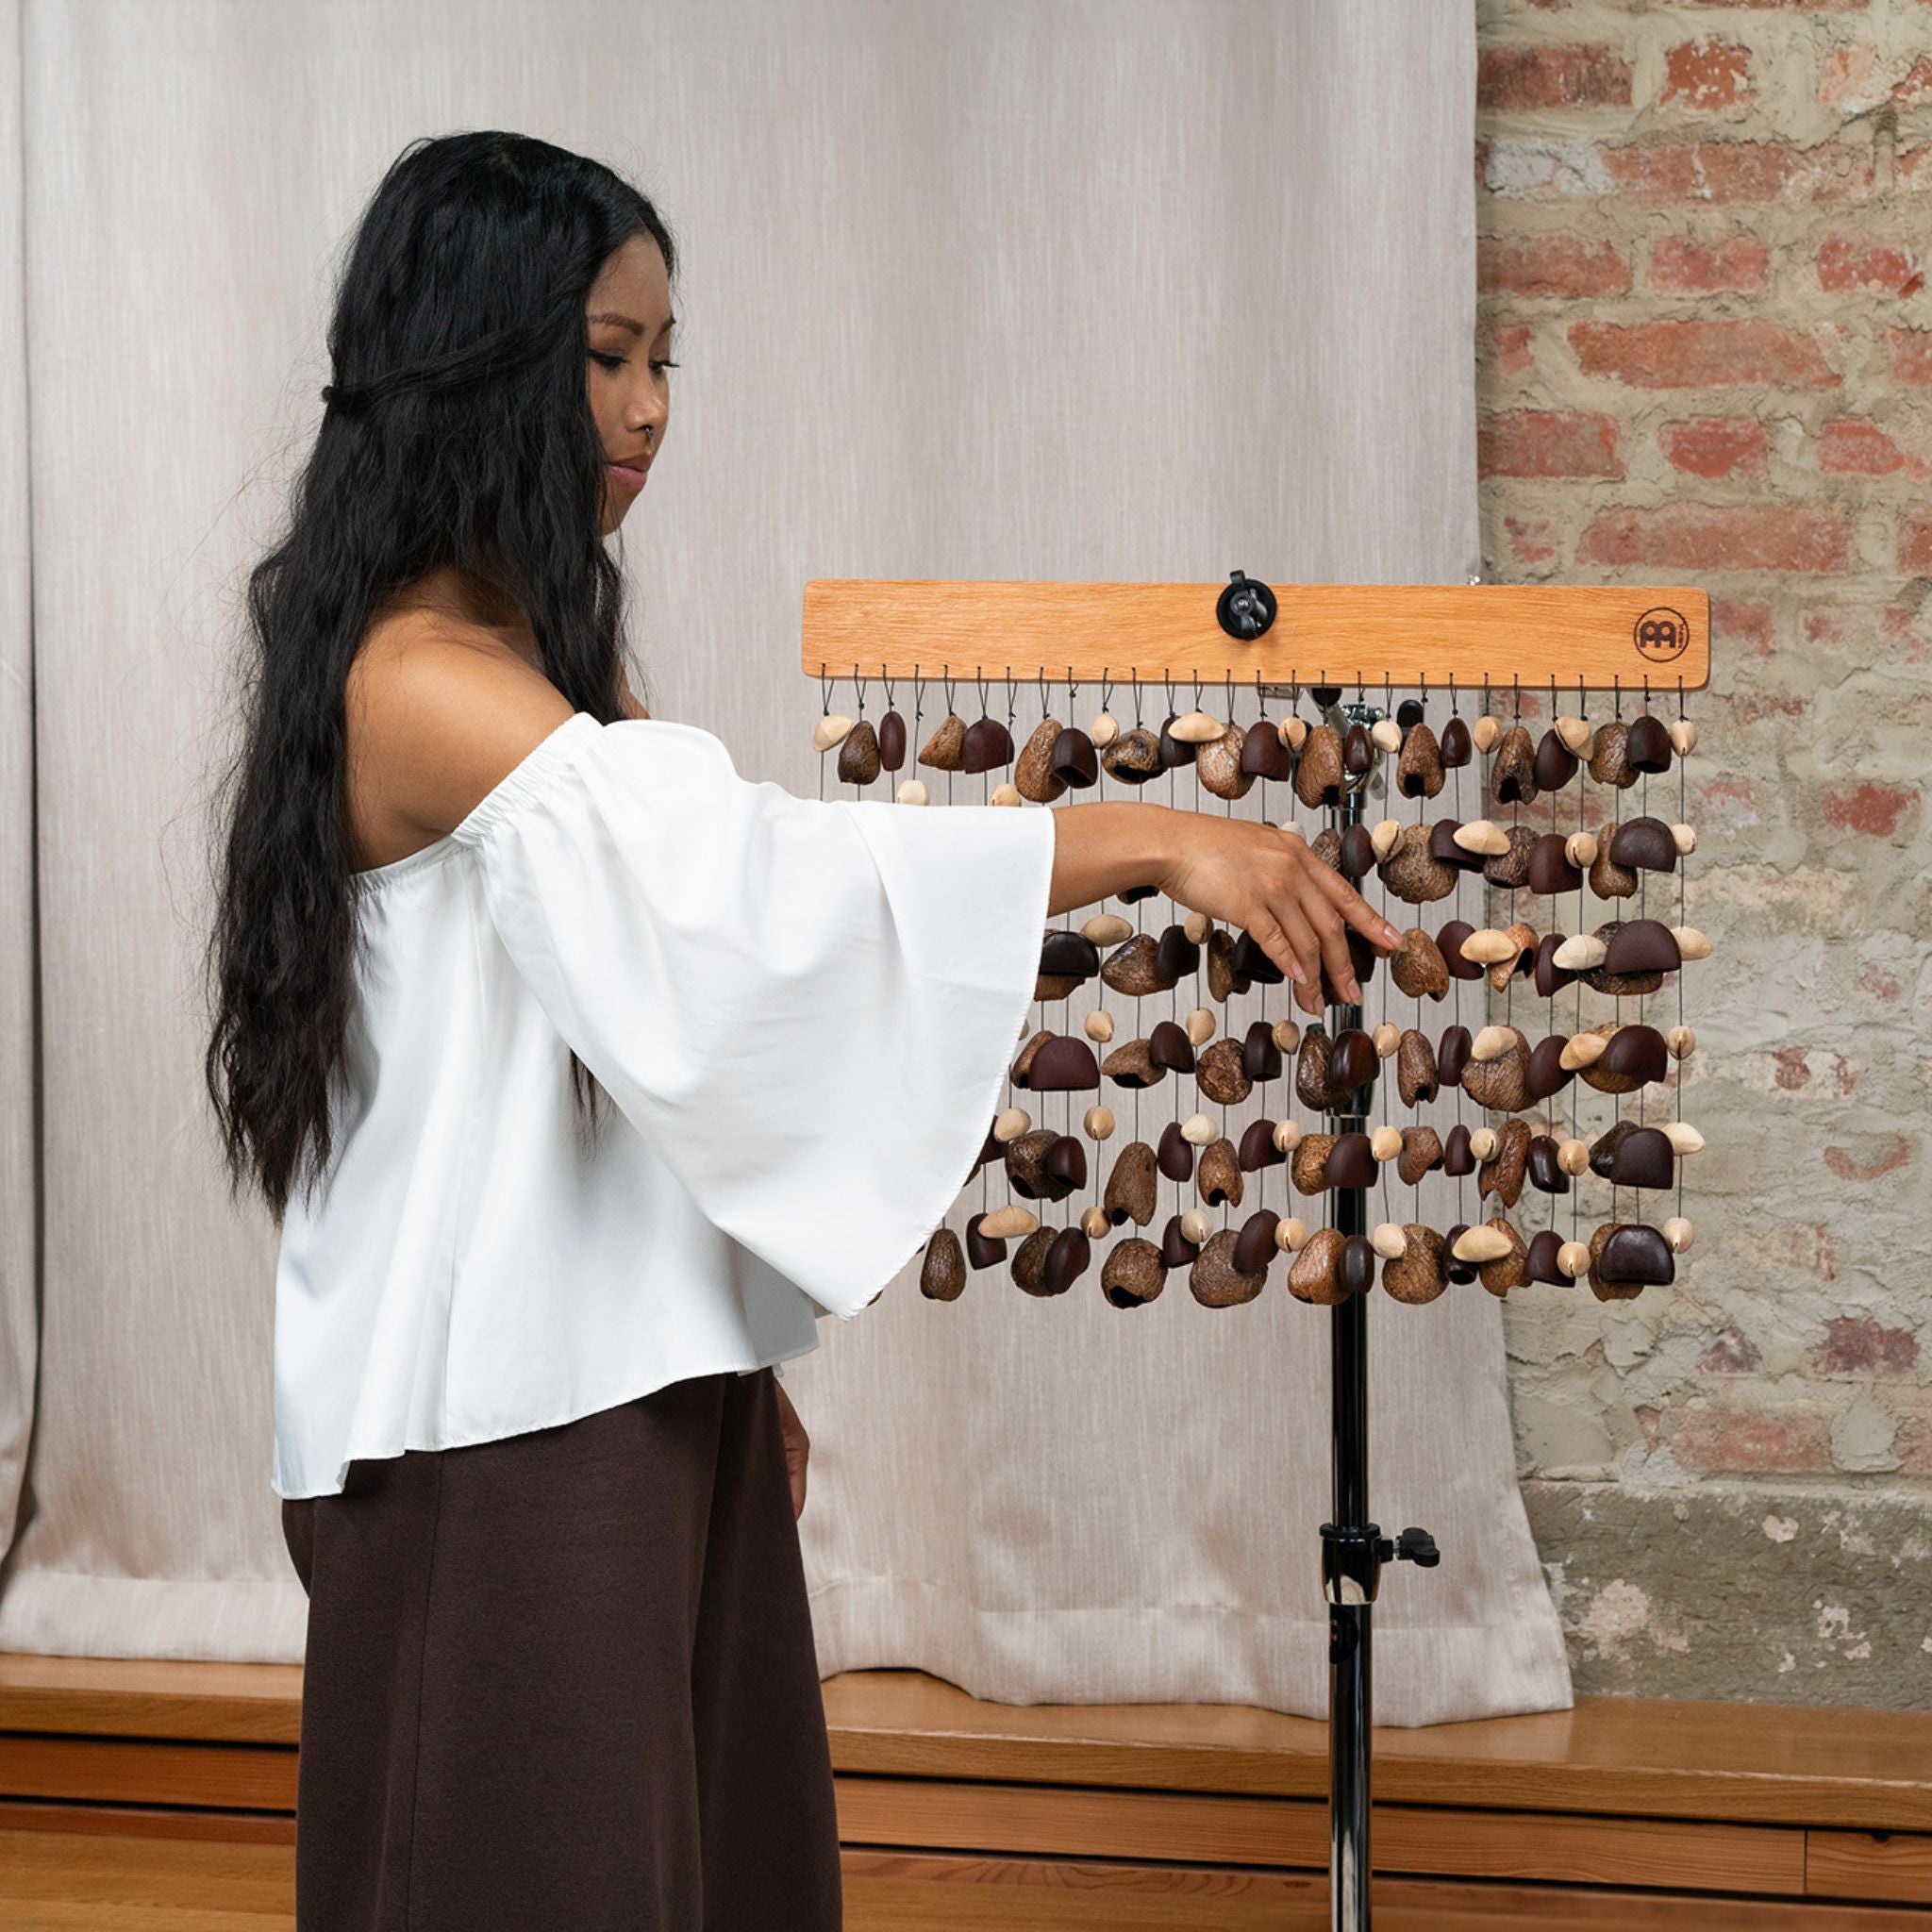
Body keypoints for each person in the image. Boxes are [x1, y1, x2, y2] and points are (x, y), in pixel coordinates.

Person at [202, 130, 1399, 1932]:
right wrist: (1146, 838)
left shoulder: (540, 671)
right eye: (606, 356)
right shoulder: (422, 687)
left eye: (665, 358)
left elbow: (658, 1039)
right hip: (495, 1436)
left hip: (626, 1395)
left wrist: (734, 1358)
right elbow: (759, 894)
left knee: (705, 1871)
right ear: (475, 364)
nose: (650, 408)